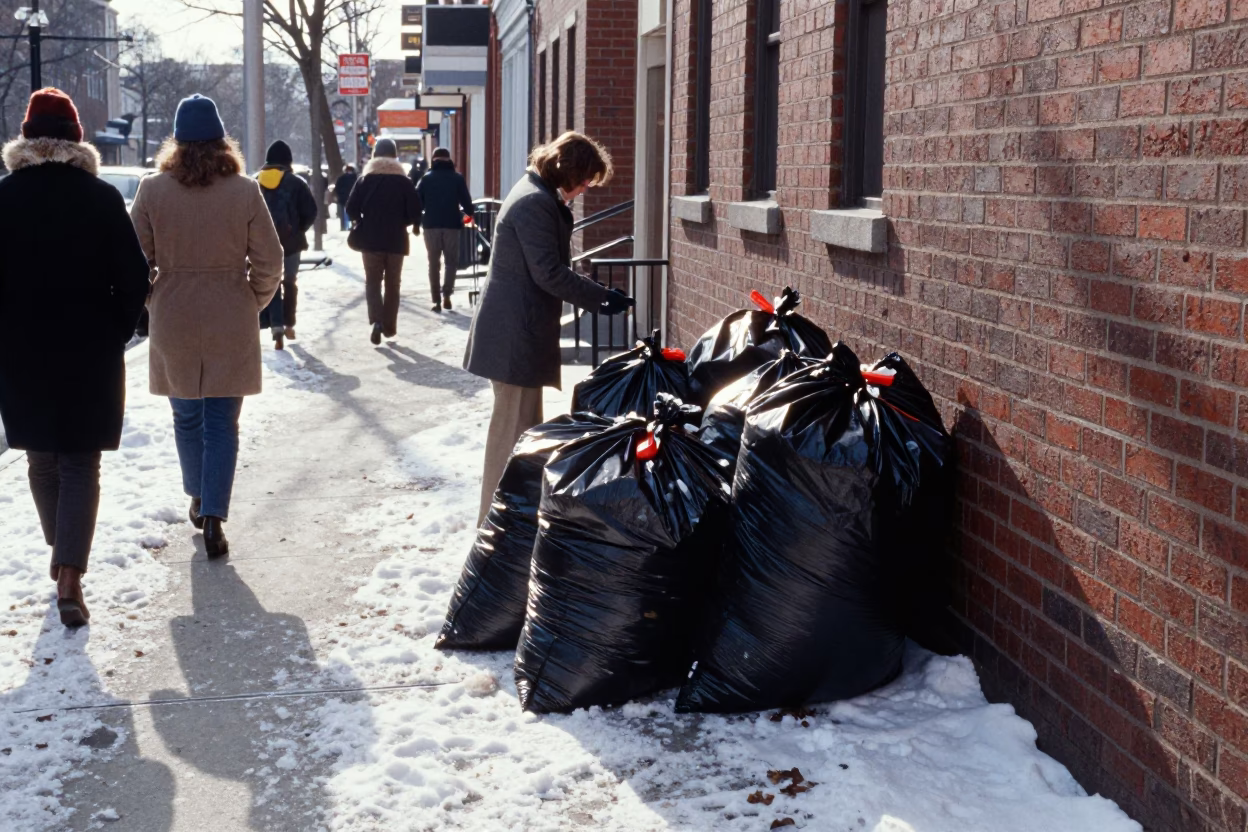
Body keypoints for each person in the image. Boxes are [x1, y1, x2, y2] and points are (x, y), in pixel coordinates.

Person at [0, 89, 150, 627]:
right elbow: (134, 279)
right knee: (81, 462)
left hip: (20, 351)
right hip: (89, 350)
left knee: (41, 458)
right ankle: (69, 574)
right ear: (77, 139)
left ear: (26, 138)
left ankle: (62, 556)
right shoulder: (101, 198)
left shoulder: (5, 196)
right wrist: (113, 331)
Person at [130, 94, 285, 558]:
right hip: (230, 312)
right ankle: (215, 515)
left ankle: (198, 495)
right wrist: (251, 301)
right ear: (222, 141)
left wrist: (152, 296)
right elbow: (271, 261)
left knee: (186, 416)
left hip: (174, 311)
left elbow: (133, 259)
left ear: (175, 142)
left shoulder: (152, 190)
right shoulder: (244, 190)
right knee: (222, 421)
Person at [464, 132, 634, 525]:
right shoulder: (535, 203)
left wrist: (599, 296)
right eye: (587, 179)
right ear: (570, 172)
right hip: (513, 337)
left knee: (526, 434)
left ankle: (512, 520)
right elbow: (549, 273)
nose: (586, 188)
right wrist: (600, 298)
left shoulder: (537, 194)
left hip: (517, 334)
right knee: (511, 435)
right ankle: (493, 523)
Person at [345, 137, 422, 345]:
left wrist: (362, 220)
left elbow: (350, 208)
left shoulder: (364, 180)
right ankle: (389, 326)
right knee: (393, 284)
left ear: (374, 156)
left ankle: (376, 321)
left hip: (370, 241)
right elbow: (415, 210)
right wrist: (405, 222)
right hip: (396, 241)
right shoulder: (404, 182)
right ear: (395, 156)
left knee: (372, 282)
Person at [256, 140, 317, 349]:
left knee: (272, 282)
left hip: (263, 243)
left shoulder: (256, 182)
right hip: (292, 243)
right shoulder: (297, 183)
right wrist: (299, 229)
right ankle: (290, 323)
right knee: (290, 281)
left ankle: (276, 327)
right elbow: (311, 212)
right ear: (288, 161)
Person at [416, 147, 475, 313]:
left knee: (433, 264)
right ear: (449, 160)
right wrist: (469, 214)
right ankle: (447, 294)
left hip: (431, 226)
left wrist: (416, 220)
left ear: (434, 160)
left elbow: (417, 202)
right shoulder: (457, 178)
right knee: (451, 262)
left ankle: (436, 300)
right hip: (452, 225)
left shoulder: (426, 179)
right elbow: (467, 202)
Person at [334, 164, 358, 231]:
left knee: (342, 213)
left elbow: (337, 188)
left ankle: (343, 227)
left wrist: (339, 195)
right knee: (353, 212)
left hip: (343, 198)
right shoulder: (356, 178)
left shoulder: (341, 177)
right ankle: (353, 226)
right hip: (353, 198)